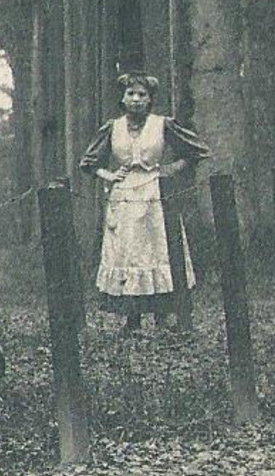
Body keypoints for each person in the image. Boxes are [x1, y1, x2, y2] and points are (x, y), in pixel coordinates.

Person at [78, 71, 211, 333]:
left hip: (154, 194)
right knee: (129, 254)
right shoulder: (112, 128)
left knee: (158, 250)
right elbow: (89, 163)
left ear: (150, 100)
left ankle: (163, 316)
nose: (136, 99)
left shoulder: (162, 125)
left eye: (142, 95)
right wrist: (110, 175)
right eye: (131, 94)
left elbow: (197, 150)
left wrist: (170, 169)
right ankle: (132, 318)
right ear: (122, 98)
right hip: (124, 197)